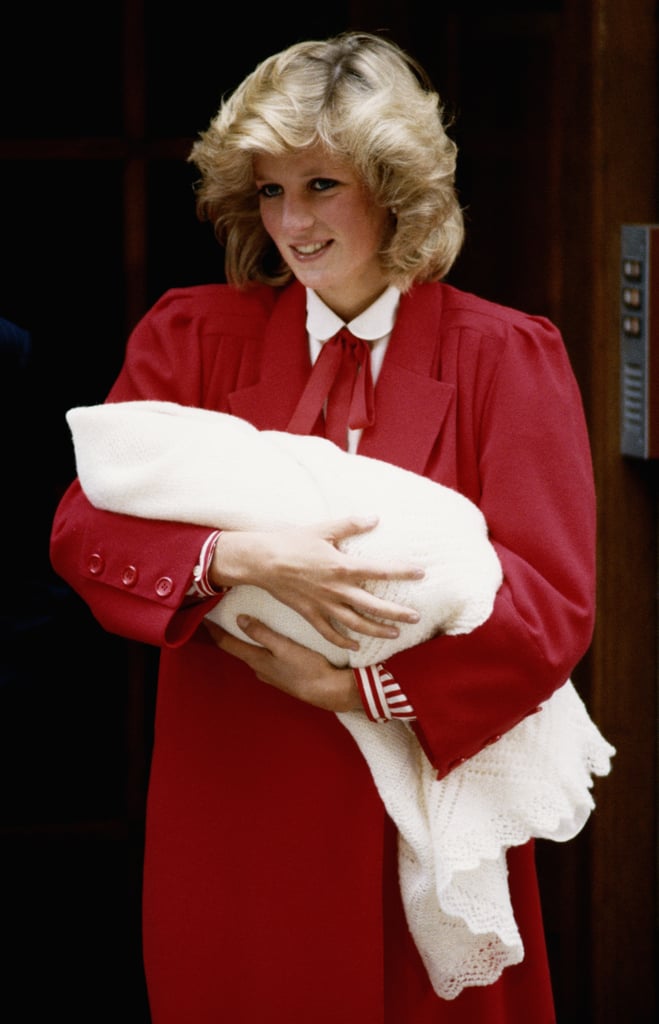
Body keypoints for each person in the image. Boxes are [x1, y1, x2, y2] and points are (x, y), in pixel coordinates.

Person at [50, 31, 603, 1023]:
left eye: (320, 185)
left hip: (426, 796)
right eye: (268, 191)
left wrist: (357, 686)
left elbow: (551, 604)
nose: (290, 222)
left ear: (395, 186)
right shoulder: (188, 335)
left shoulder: (504, 355)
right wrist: (232, 555)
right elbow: (82, 528)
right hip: (232, 790)